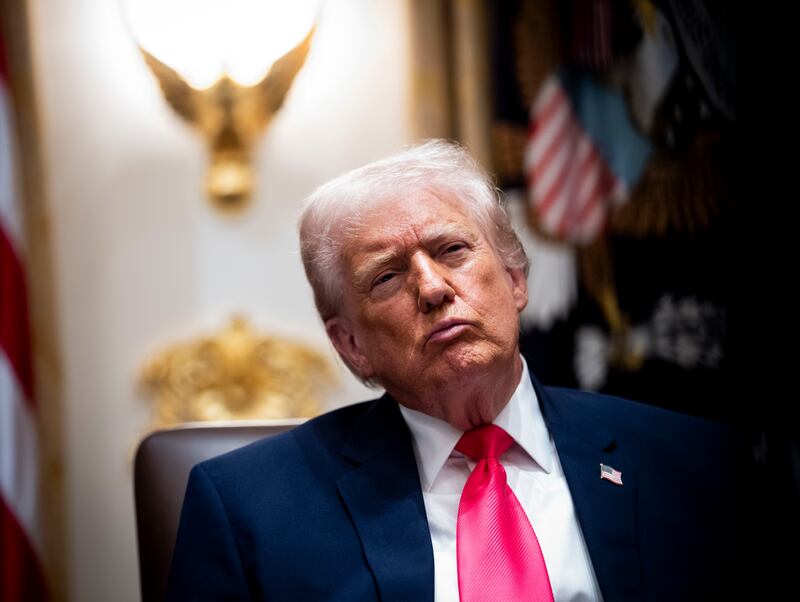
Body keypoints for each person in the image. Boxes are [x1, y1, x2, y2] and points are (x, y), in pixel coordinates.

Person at [167, 140, 760, 601]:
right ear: (350, 344)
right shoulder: (249, 511)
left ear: (515, 277)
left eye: (453, 250)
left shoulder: (696, 463)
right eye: (387, 277)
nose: (432, 288)